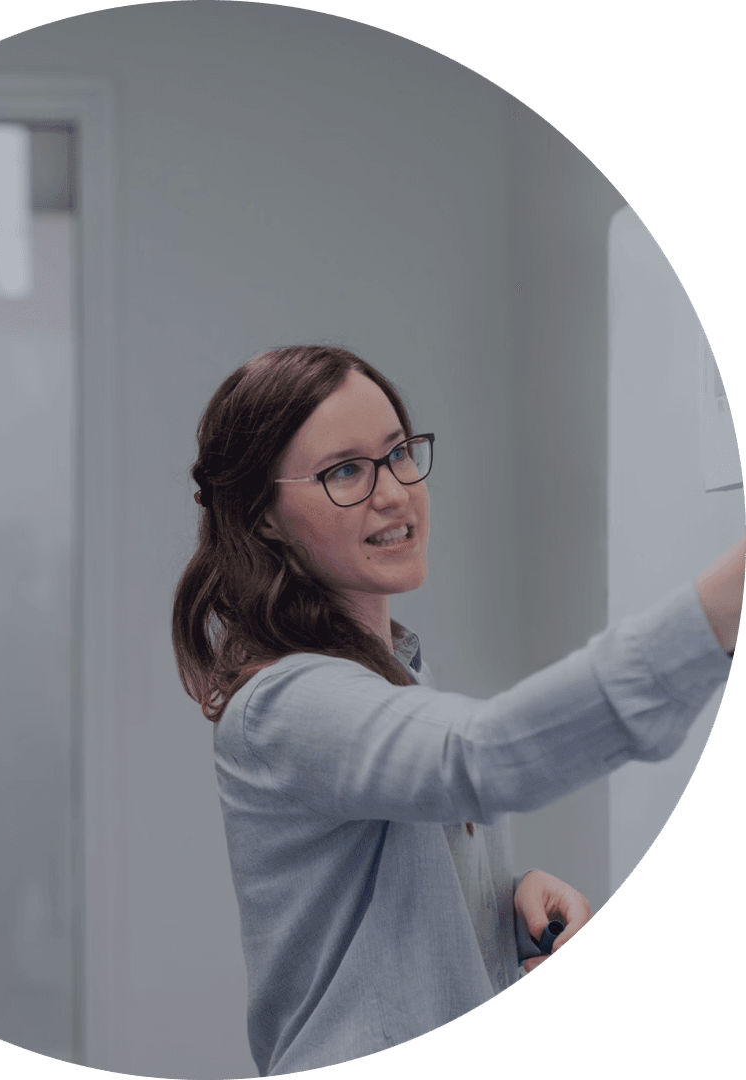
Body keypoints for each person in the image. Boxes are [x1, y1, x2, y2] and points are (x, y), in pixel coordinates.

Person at [172, 345, 742, 1076]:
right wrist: (725, 597)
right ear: (265, 518)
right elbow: (479, 758)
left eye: (399, 453)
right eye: (344, 471)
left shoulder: (397, 674)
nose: (393, 493)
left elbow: (383, 922)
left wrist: (499, 907)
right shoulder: (286, 704)